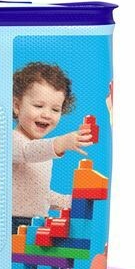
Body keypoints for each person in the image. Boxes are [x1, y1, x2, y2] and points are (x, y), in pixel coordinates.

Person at [11, 62, 93, 229]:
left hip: (37, 222)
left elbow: (37, 193)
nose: (47, 114)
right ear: (17, 106)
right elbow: (28, 152)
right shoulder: (11, 140)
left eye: (55, 109)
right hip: (11, 222)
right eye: (38, 106)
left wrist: (68, 201)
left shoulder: (45, 153)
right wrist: (60, 143)